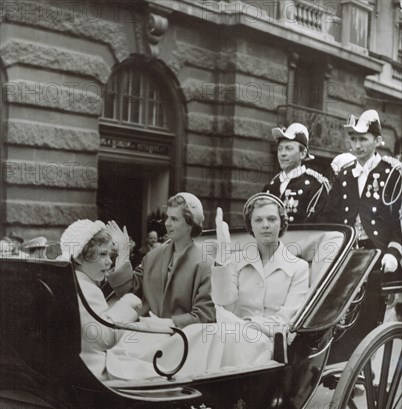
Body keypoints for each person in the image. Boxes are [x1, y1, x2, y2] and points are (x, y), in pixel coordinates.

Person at [104, 192, 216, 380]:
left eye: (174, 219)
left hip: (180, 344)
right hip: (145, 336)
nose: (166, 224)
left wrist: (170, 323)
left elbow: (205, 315)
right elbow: (130, 293)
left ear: (190, 224)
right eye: (167, 217)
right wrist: (123, 252)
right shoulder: (153, 256)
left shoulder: (204, 263)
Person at [320, 109, 402, 362]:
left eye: (363, 139)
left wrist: (394, 252)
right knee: (335, 305)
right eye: (353, 139)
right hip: (348, 254)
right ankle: (337, 362)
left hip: (379, 255)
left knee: (368, 311)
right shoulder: (344, 174)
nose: (356, 145)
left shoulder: (392, 173)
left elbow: (398, 221)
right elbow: (329, 216)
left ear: (377, 141)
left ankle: (360, 363)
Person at [205, 193, 310, 369]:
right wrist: (223, 256)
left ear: (282, 224)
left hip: (268, 345)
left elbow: (286, 320)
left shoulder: (298, 267)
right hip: (230, 335)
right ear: (251, 226)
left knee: (220, 339)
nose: (265, 226)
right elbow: (223, 302)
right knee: (203, 335)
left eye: (271, 219)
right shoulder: (237, 261)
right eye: (258, 220)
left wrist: (245, 325)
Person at [59, 219, 142, 380]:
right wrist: (127, 304)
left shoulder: (69, 283)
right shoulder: (88, 289)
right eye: (103, 254)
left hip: (73, 370)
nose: (109, 261)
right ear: (79, 258)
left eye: (109, 255)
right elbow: (106, 338)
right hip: (94, 373)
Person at [263, 123, 329, 223]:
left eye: (289, 148)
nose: (282, 154)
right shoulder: (270, 186)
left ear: (302, 154)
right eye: (280, 149)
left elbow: (313, 228)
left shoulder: (316, 186)